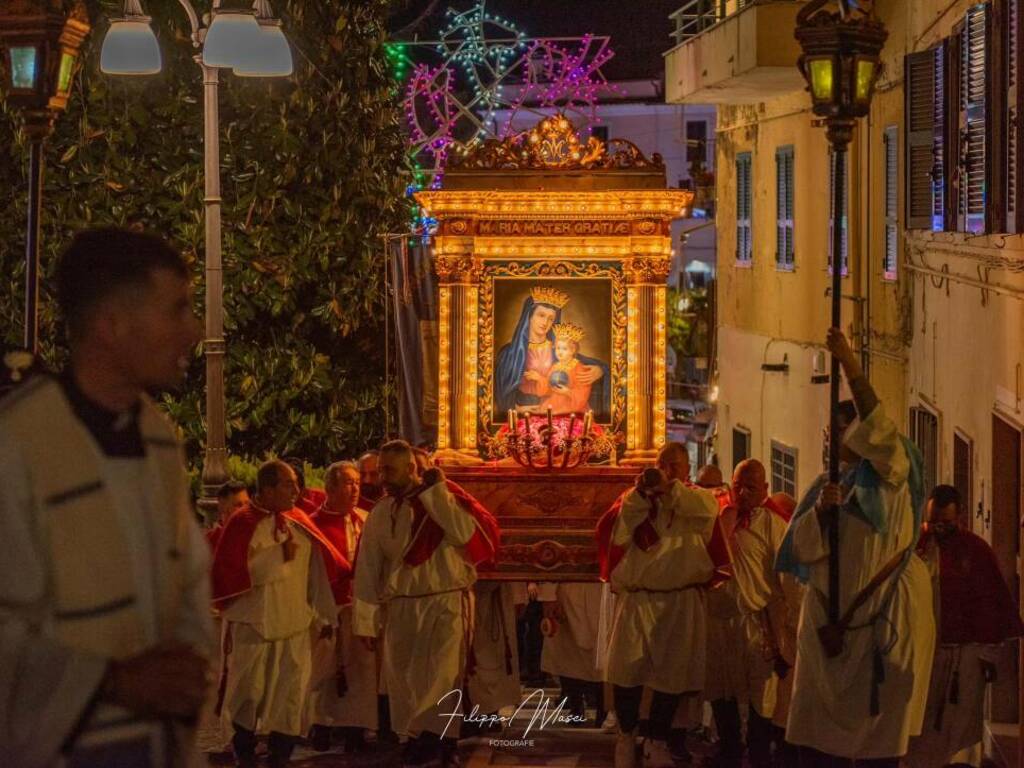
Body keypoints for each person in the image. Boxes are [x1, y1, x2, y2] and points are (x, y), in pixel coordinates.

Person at [0, 228, 215, 767]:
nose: (195, 332)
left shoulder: (160, 439)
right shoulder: (19, 441)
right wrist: (112, 682)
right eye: (178, 310)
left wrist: (181, 670)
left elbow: (187, 582)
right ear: (113, 324)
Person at [776, 328, 934, 767]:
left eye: (839, 430)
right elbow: (802, 551)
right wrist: (823, 513)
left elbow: (879, 426)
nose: (830, 440)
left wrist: (847, 360)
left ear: (859, 435)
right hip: (828, 631)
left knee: (876, 737)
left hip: (878, 622)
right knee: (816, 744)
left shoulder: (890, 477)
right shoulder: (824, 488)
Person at [352, 440, 500, 768]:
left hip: (446, 599)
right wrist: (365, 620)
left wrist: (436, 494)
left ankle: (443, 742)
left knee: (444, 674)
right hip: (402, 604)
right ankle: (416, 738)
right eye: (380, 470)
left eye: (389, 470)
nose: (381, 477)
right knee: (405, 678)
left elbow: (464, 534)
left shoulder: (445, 500)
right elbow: (368, 567)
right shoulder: (381, 511)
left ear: (411, 469)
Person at [211, 459, 350, 768]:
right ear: (268, 488)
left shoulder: (298, 519)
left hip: (295, 622)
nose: (296, 490)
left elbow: (316, 572)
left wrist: (325, 614)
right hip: (254, 624)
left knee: (289, 697)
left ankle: (280, 755)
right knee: (247, 694)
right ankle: (244, 753)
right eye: (288, 484)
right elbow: (232, 575)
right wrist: (277, 554)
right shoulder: (242, 522)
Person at [596, 443, 721, 768]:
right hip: (639, 598)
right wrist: (644, 492)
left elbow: (705, 514)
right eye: (662, 464)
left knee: (672, 676)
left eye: (674, 466)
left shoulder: (699, 499)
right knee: (626, 671)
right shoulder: (634, 500)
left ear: (686, 470)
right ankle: (626, 736)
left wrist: (670, 490)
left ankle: (657, 739)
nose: (666, 470)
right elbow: (621, 529)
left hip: (679, 598)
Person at [904, 485, 1024, 768]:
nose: (938, 529)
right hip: (925, 653)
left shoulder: (977, 551)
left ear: (961, 517)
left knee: (958, 727)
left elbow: (991, 604)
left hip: (965, 658)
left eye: (945, 523)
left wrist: (988, 657)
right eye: (933, 521)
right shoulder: (918, 545)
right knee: (921, 724)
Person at [709, 460, 798, 768]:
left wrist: (785, 628)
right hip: (721, 620)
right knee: (723, 689)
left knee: (763, 693)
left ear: (765, 490)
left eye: (750, 487)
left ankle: (759, 754)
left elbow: (786, 580)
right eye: (738, 486)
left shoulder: (774, 525)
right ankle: (729, 751)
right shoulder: (717, 516)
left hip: (756, 621)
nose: (743, 493)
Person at [305, 461, 378, 753]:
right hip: (326, 608)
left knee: (360, 668)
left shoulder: (366, 519)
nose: (355, 488)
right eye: (348, 483)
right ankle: (321, 725)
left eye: (357, 482)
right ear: (330, 488)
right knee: (323, 668)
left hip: (358, 607)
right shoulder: (311, 525)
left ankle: (355, 728)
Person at [495, 285, 609, 417]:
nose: (545, 322)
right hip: (523, 410)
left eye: (551, 318)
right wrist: (515, 409)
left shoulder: (558, 350)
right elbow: (501, 391)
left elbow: (580, 366)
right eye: (541, 315)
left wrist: (601, 370)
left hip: (557, 408)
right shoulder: (510, 353)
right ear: (529, 317)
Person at [534, 323, 593, 414]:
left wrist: (568, 392)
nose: (560, 352)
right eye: (558, 348)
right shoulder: (555, 366)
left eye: (564, 349)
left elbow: (583, 392)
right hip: (554, 403)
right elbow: (548, 387)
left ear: (572, 350)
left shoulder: (579, 367)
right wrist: (539, 378)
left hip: (571, 406)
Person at [207, 480, 250, 551]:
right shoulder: (211, 541)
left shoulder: (253, 535)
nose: (244, 509)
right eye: (239, 505)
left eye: (247, 503)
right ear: (222, 506)